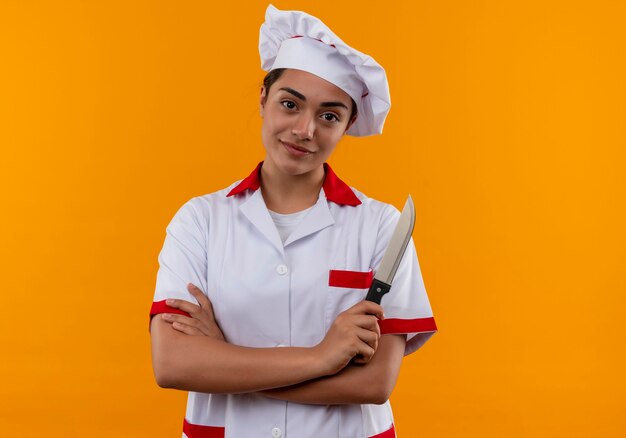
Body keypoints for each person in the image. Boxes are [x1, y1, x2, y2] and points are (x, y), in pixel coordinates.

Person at [149, 4, 437, 437]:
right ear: (264, 100)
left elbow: (375, 383)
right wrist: (323, 357)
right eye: (290, 104)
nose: (305, 130)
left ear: (347, 125)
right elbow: (174, 364)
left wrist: (225, 358)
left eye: (329, 116)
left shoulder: (381, 226)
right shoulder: (199, 220)